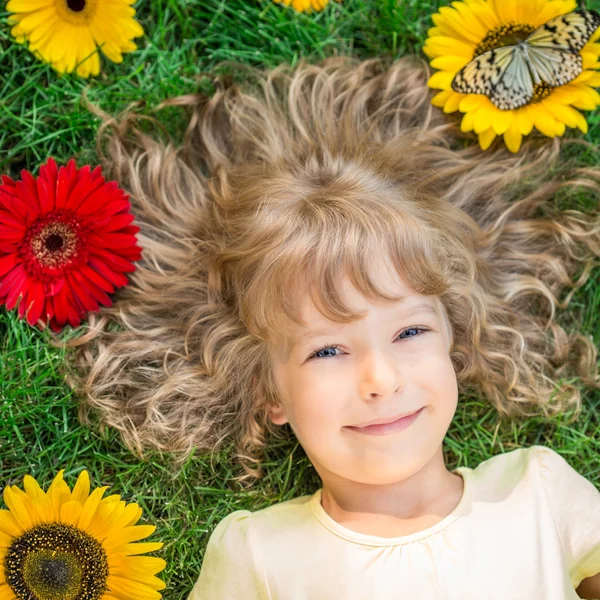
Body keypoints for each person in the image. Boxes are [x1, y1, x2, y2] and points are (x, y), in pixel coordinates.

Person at [54, 54, 600, 598]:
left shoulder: (537, 492)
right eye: (328, 351)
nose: (381, 379)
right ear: (270, 391)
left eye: (409, 333)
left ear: (453, 341)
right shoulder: (260, 554)